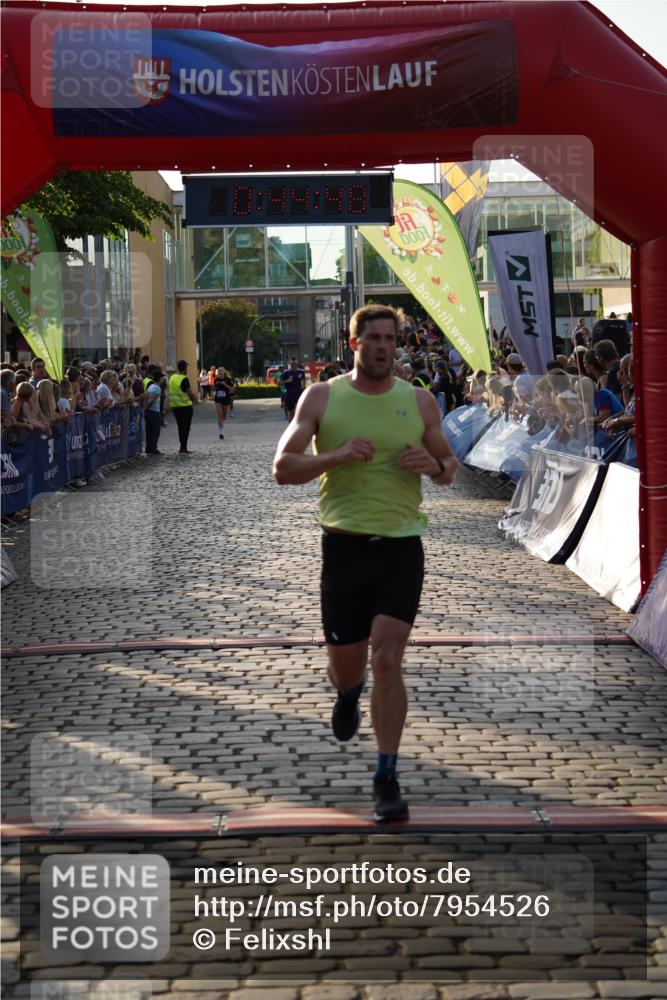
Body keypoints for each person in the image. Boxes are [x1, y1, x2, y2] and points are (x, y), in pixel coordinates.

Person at [272, 304, 458, 823]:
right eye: (373, 338)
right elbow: (283, 468)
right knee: (347, 668)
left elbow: (449, 466)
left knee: (389, 659)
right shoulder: (322, 396)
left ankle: (386, 774)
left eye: (390, 339)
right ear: (353, 344)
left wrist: (433, 464)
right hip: (344, 549)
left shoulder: (418, 400)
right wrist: (335, 456)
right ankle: (348, 694)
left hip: (401, 548)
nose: (383, 347)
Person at [169, 360, 198, 454]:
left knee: (180, 427)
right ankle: (183, 447)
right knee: (185, 428)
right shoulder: (184, 379)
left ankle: (182, 446)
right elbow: (190, 394)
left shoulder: (172, 377)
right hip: (186, 408)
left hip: (175, 407)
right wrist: (195, 398)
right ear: (185, 368)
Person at [144, 366, 163, 454]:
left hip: (149, 412)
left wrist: (145, 408)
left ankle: (148, 448)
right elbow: (152, 399)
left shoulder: (150, 386)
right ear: (160, 379)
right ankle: (153, 448)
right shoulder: (157, 388)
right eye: (162, 377)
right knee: (155, 431)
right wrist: (147, 406)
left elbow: (146, 396)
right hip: (154, 412)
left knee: (149, 431)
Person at [280, 357, 306, 422]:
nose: (294, 365)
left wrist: (303, 385)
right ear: (290, 364)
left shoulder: (301, 371)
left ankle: (297, 425)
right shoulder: (286, 372)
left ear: (297, 364)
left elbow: (304, 379)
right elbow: (279, 382)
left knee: (299, 411)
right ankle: (291, 426)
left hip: (299, 394)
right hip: (289, 395)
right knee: (291, 413)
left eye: (295, 364)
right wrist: (287, 381)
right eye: (292, 364)